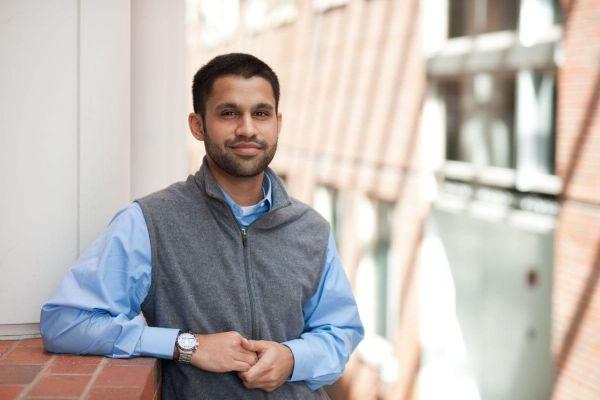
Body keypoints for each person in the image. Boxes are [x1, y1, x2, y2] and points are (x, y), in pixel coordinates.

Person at [40, 53, 364, 399]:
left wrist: (292, 357)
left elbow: (340, 330)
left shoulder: (311, 229)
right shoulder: (150, 222)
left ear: (277, 123)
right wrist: (186, 345)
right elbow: (67, 321)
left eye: (260, 113)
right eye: (229, 113)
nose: (247, 129)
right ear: (198, 126)